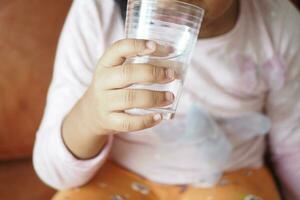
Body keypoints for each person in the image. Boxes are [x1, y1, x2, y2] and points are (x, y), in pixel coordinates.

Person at [33, 0, 300, 199]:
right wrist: (90, 117)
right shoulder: (96, 12)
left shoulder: (278, 23)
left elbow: (293, 148)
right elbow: (55, 173)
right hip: (116, 174)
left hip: (231, 177)